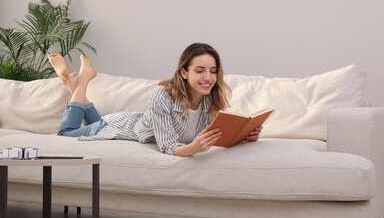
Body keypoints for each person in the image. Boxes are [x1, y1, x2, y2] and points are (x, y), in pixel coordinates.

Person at [48, 43, 262, 157]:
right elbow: (167, 146)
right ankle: (82, 79)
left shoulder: (210, 99)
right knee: (65, 135)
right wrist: (192, 149)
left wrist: (243, 134)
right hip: (116, 127)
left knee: (89, 124)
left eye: (213, 71)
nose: (208, 78)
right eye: (200, 71)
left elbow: (216, 135)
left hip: (125, 120)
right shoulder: (163, 95)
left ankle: (68, 79)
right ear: (184, 72)